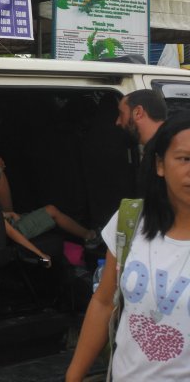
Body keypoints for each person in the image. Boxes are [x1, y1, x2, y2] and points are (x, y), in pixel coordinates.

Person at [66, 111, 190, 380]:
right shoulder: (130, 221)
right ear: (160, 165)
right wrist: (74, 375)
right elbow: (103, 302)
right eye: (184, 158)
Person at [0, 155, 100, 252]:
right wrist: (40, 254)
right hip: (9, 229)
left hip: (5, 221)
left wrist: (9, 214)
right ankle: (90, 236)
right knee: (52, 211)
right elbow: (9, 229)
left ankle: (88, 235)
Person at [116, 89, 167, 197]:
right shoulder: (154, 150)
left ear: (138, 112)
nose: (118, 121)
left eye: (121, 114)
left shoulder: (167, 152)